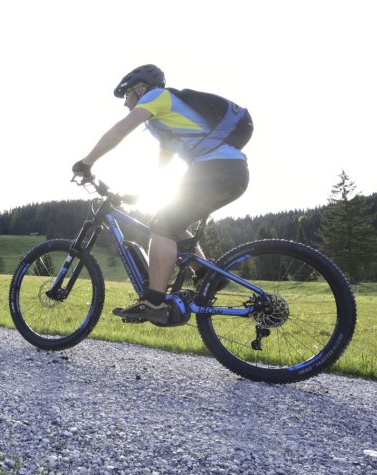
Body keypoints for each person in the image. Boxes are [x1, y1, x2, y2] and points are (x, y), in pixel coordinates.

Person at [72, 64, 250, 325]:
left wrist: (86, 163)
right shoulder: (164, 123)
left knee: (162, 225)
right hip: (228, 172)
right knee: (171, 222)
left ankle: (153, 302)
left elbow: (120, 130)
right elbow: (163, 167)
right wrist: (142, 193)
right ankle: (207, 274)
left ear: (141, 89)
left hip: (217, 169)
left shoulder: (158, 98)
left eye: (127, 95)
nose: (125, 104)